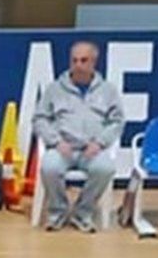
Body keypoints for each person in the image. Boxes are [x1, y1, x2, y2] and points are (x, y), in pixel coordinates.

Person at [32, 41, 125, 233]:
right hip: (62, 148)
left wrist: (100, 143)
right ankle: (57, 213)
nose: (78, 65)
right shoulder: (54, 89)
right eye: (74, 60)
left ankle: (83, 213)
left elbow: (117, 121)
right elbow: (40, 119)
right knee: (49, 167)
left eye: (83, 60)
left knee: (105, 168)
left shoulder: (108, 91)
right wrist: (55, 141)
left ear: (93, 62)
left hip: (92, 150)